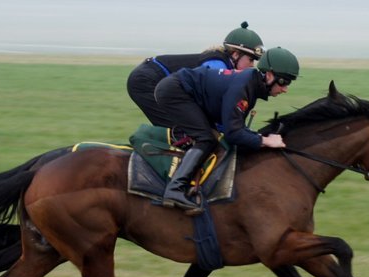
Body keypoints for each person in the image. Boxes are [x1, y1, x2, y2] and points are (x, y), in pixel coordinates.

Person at [154, 46, 300, 210]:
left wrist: (257, 138)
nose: (285, 89)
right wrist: (265, 141)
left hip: (185, 91)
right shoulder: (244, 86)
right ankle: (174, 189)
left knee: (214, 139)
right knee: (207, 139)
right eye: (284, 82)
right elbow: (233, 134)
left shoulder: (250, 85)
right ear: (270, 75)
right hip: (175, 91)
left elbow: (236, 128)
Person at [127, 21, 264, 127]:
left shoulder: (223, 64)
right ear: (235, 54)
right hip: (146, 80)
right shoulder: (217, 65)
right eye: (251, 60)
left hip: (153, 77)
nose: (252, 66)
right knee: (185, 130)